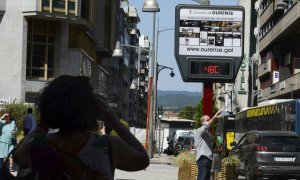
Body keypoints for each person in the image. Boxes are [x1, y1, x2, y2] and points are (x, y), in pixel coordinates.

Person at [10, 75, 149, 179]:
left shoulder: (39, 144)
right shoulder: (107, 146)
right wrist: (114, 121)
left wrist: (46, 120)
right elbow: (142, 160)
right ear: (92, 108)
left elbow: (17, 156)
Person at [194, 110, 222, 180]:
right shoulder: (201, 130)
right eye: (208, 120)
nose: (210, 120)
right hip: (203, 158)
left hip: (207, 158)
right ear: (203, 122)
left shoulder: (207, 132)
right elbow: (207, 125)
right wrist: (215, 117)